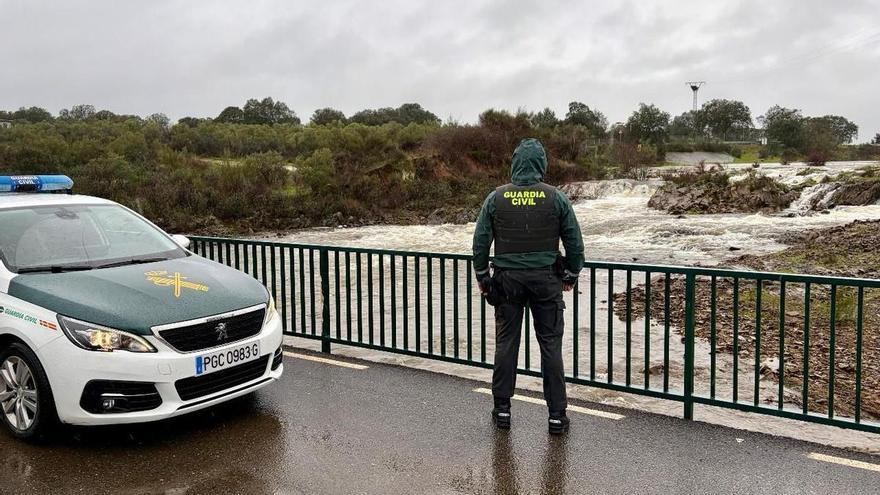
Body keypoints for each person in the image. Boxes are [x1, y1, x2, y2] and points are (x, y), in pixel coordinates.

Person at [472, 138, 584, 435]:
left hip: (507, 281)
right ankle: (557, 416)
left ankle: (502, 410)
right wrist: (570, 275)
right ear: (541, 164)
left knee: (506, 344)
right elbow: (575, 243)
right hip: (546, 281)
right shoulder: (556, 197)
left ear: (515, 163)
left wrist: (483, 278)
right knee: (550, 346)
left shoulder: (496, 198)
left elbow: (480, 242)